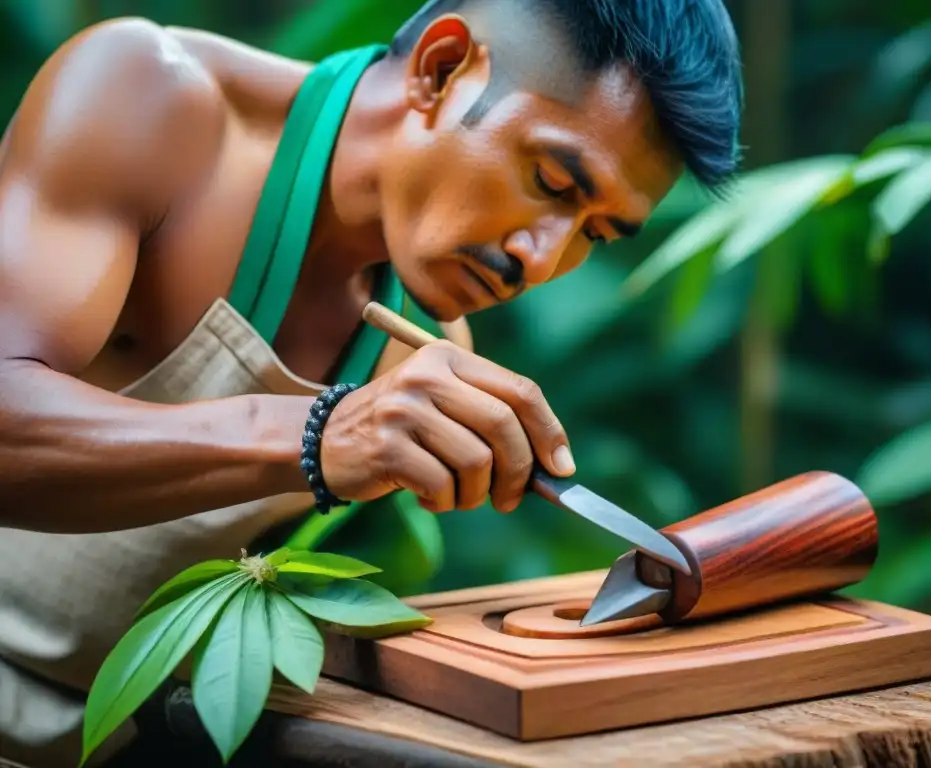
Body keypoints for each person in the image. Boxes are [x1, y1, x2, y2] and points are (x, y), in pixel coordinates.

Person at [0, 0, 743, 764]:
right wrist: (321, 434)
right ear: (443, 68)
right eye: (552, 180)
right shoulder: (154, 103)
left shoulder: (424, 349)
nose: (541, 260)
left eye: (593, 233)